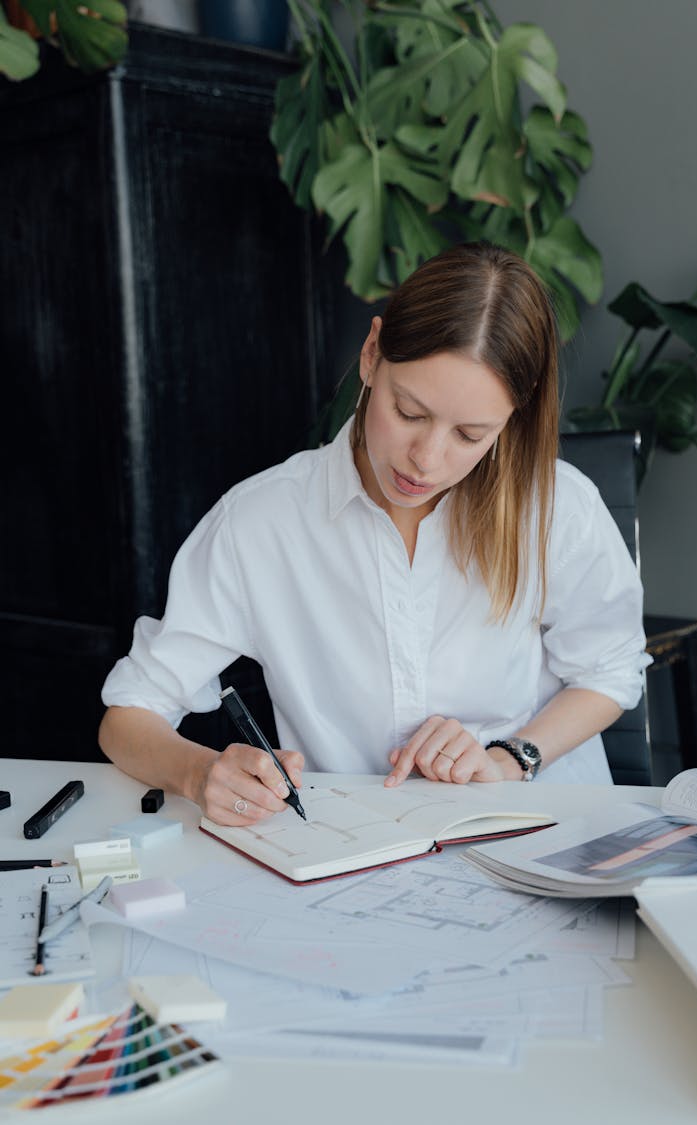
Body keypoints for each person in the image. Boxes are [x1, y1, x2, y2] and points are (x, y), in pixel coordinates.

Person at [99, 242, 649, 827]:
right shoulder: (261, 522)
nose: (427, 460)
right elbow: (128, 717)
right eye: (409, 412)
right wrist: (199, 772)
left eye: (470, 434)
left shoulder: (556, 507)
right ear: (370, 355)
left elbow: (609, 672)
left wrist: (509, 758)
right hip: (350, 848)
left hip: (537, 830)